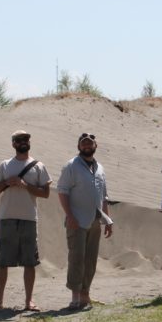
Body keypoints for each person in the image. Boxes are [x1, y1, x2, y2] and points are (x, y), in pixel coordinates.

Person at [0, 130, 51, 312]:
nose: (23, 142)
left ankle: (29, 301)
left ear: (29, 142)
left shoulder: (39, 166)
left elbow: (45, 193)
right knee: (2, 262)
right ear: (13, 144)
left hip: (29, 219)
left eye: (25, 139)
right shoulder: (5, 165)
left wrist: (25, 185)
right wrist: (7, 182)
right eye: (19, 140)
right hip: (7, 218)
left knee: (29, 262)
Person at [57, 132, 113, 310]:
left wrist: (108, 219)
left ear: (96, 145)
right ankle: (75, 297)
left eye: (90, 143)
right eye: (84, 143)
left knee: (90, 260)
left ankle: (85, 295)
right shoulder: (71, 166)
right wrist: (70, 216)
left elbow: (104, 196)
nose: (87, 146)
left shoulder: (100, 168)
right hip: (77, 221)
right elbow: (62, 191)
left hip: (95, 221)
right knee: (77, 258)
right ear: (79, 146)